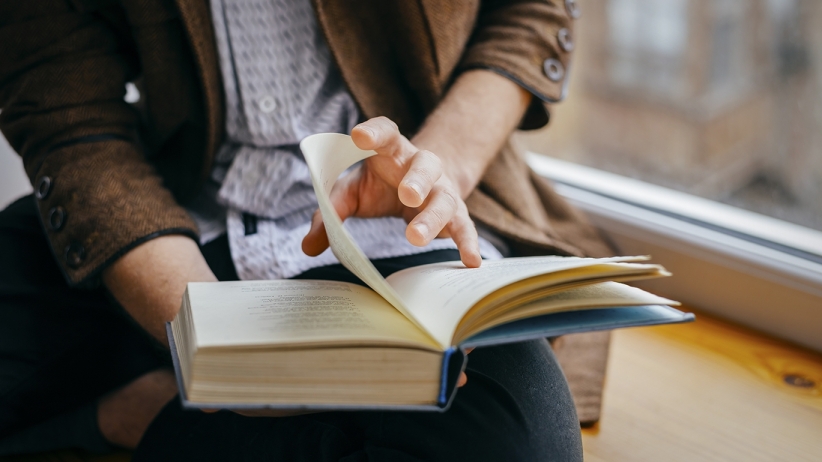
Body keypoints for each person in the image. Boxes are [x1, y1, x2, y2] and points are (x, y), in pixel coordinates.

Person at [0, 0, 610, 460]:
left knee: (515, 443)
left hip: (403, 231)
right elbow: (66, 112)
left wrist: (435, 165)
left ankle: (149, 414)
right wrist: (209, 338)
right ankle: (186, 413)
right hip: (172, 223)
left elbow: (529, 10)